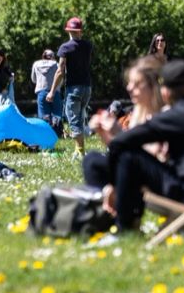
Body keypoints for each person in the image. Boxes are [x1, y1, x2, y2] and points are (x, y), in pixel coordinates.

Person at [87, 59, 184, 232]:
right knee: (115, 156)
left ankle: (124, 228)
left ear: (165, 92)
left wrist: (112, 184)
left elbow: (123, 143)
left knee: (128, 155)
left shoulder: (176, 116)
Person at [83, 57, 166, 188]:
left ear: (153, 86)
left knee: (122, 161)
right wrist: (105, 134)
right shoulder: (138, 112)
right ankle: (105, 202)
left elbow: (155, 156)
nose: (129, 87)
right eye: (129, 82)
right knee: (92, 160)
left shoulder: (165, 115)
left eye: (137, 83)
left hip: (159, 177)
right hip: (134, 168)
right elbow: (126, 150)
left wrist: (119, 134)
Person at [48, 17, 94, 157]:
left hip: (73, 88)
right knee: (79, 118)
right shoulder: (88, 45)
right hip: (87, 87)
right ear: (80, 31)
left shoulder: (65, 48)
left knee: (73, 120)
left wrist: (51, 91)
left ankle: (80, 151)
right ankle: (78, 149)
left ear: (68, 30)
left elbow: (60, 70)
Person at [32, 49, 63, 124]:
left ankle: (45, 134)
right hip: (55, 92)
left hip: (41, 92)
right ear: (52, 56)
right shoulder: (56, 64)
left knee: (44, 117)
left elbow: (33, 79)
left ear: (43, 56)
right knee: (56, 116)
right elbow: (61, 79)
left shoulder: (36, 64)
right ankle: (56, 133)